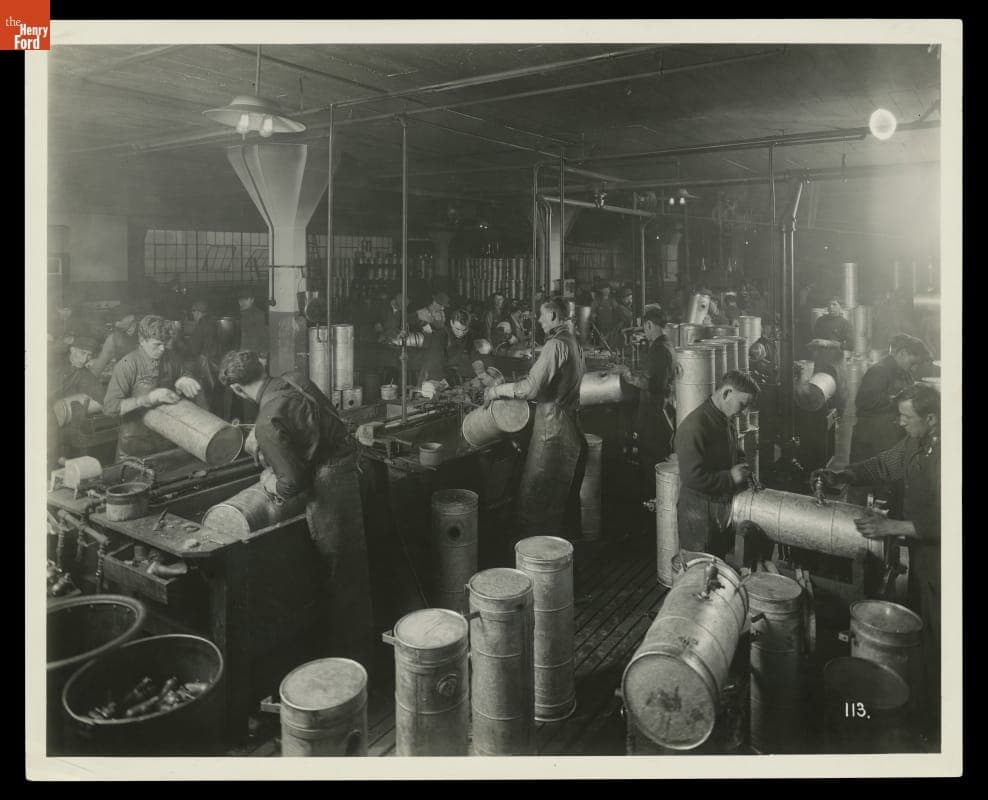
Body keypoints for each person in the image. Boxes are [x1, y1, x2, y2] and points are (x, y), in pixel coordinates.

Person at [217, 350, 373, 669]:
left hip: (330, 485)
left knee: (339, 571)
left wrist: (268, 479)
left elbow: (293, 483)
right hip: (348, 463)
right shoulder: (295, 378)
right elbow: (306, 420)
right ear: (262, 366)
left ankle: (350, 664)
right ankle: (358, 652)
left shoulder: (266, 422)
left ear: (236, 389)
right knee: (352, 567)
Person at [812, 384, 941, 744]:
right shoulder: (918, 442)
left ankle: (934, 727)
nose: (900, 424)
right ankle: (922, 705)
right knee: (922, 625)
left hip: (944, 562)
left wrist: (890, 527)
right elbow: (885, 464)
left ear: (931, 419)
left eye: (906, 417)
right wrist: (845, 475)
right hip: (922, 555)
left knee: (941, 634)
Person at [483, 297, 586, 541]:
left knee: (534, 500)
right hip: (570, 428)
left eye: (541, 315)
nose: (538, 320)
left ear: (553, 316)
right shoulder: (573, 342)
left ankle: (533, 564)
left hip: (552, 432)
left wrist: (496, 391)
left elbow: (530, 388)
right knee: (562, 501)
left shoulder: (555, 346)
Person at [675, 371, 760, 558]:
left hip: (718, 508)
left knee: (717, 567)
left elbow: (735, 451)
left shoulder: (725, 419)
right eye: (743, 404)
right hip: (698, 515)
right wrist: (730, 477)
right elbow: (692, 477)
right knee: (700, 572)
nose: (744, 412)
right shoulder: (695, 426)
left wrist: (743, 467)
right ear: (726, 393)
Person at [102, 315, 205, 461]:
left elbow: (184, 372)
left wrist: (184, 379)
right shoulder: (127, 365)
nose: (162, 349)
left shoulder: (171, 357)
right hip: (135, 445)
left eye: (165, 343)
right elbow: (110, 408)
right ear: (142, 341)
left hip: (167, 439)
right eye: (157, 344)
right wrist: (147, 399)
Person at [847, 333, 930, 503]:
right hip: (870, 440)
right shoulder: (879, 371)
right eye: (913, 363)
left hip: (888, 439)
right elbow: (863, 402)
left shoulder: (903, 372)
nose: (914, 368)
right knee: (860, 491)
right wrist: (898, 400)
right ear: (902, 353)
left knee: (885, 492)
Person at [634, 306, 677, 493]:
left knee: (651, 463)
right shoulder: (667, 344)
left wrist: (625, 373)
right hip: (664, 411)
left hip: (653, 416)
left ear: (649, 324)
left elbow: (648, 383)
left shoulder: (658, 348)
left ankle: (653, 507)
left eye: (645, 328)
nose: (645, 332)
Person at [88, 305, 139, 379]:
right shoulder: (114, 338)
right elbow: (99, 365)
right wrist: (88, 380)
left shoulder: (145, 330)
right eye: (115, 321)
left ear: (131, 317)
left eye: (119, 320)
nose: (116, 323)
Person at [591, 281, 617, 347]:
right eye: (604, 289)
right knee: (601, 340)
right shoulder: (597, 300)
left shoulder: (612, 300)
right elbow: (592, 309)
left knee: (610, 341)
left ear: (610, 290)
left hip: (610, 324)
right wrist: (593, 315)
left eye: (608, 289)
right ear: (601, 290)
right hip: (600, 324)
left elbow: (618, 310)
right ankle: (601, 349)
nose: (606, 291)